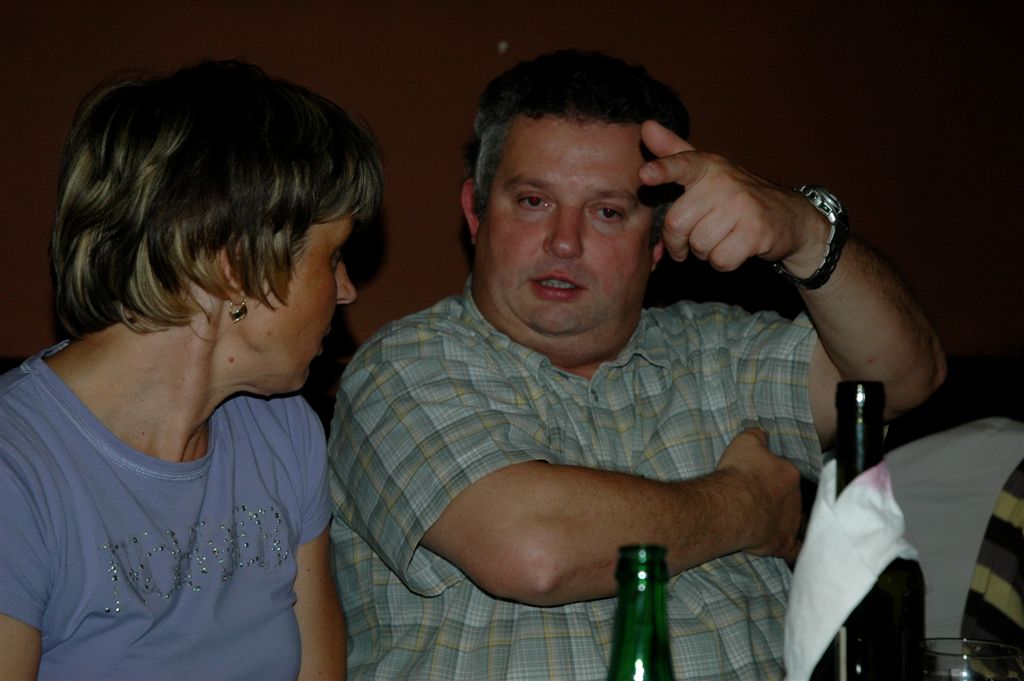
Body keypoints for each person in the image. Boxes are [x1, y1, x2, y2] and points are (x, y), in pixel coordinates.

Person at [328, 50, 945, 679]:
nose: (564, 242)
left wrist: (808, 234)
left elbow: (904, 379)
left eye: (607, 212)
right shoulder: (403, 366)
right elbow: (533, 551)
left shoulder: (717, 351)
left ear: (657, 241)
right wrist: (744, 505)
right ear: (476, 212)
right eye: (534, 201)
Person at [0, 60, 382, 680]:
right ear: (237, 265)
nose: (346, 290)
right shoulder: (18, 471)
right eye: (333, 255)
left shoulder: (282, 431)